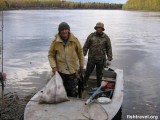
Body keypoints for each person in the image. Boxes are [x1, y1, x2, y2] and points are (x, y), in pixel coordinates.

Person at [48, 22, 84, 97]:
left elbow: (80, 53)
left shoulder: (75, 40)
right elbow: (51, 55)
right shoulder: (55, 42)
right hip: (61, 71)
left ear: (68, 30)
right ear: (59, 31)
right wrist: (54, 67)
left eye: (66, 29)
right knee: (61, 91)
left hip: (73, 70)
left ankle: (73, 103)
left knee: (72, 91)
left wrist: (81, 65)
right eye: (62, 30)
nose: (64, 31)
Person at [83, 22, 112, 87]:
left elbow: (109, 48)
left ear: (102, 29)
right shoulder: (91, 36)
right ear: (96, 28)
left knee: (99, 74)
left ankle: (98, 86)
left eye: (100, 28)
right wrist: (83, 54)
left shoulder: (106, 37)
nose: (99, 29)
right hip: (91, 59)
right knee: (87, 72)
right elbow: (86, 46)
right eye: (97, 28)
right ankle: (83, 84)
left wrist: (109, 59)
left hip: (101, 60)